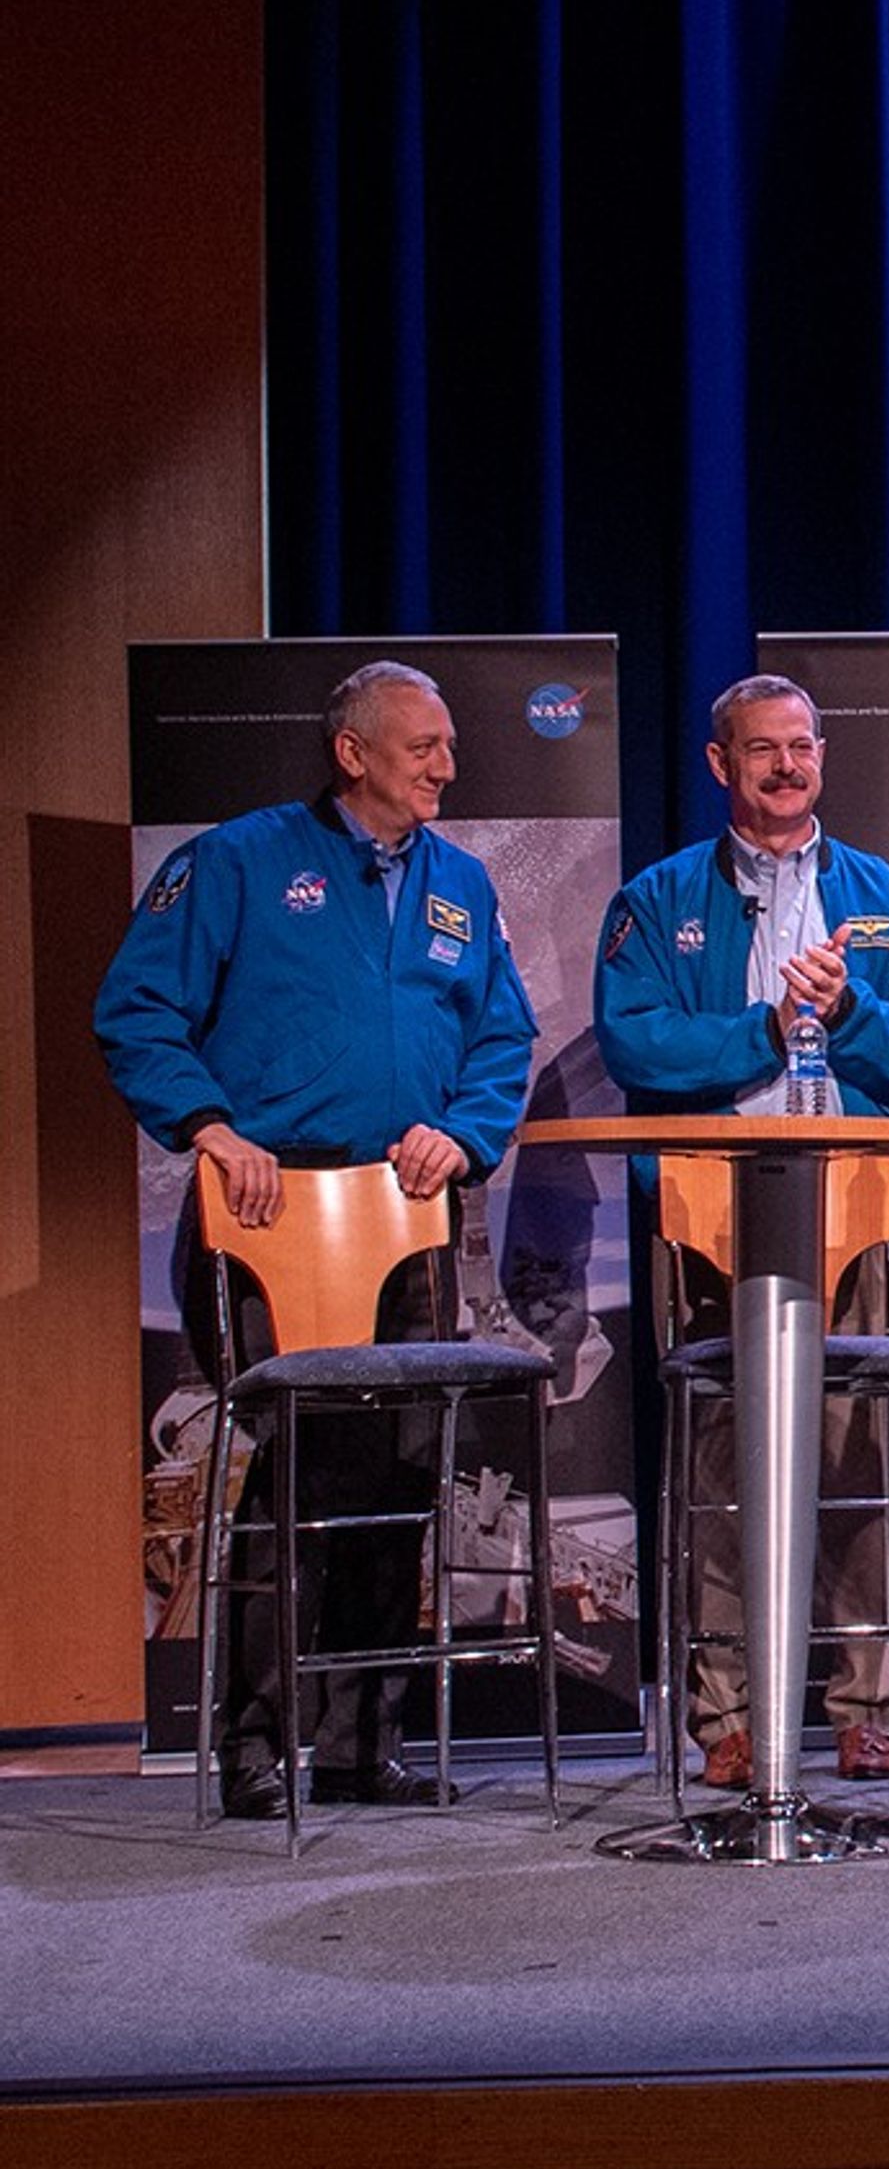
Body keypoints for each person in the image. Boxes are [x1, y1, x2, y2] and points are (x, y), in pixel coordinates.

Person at [95, 660, 540, 1816]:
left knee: (399, 1476)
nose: (447, 765)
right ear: (353, 753)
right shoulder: (239, 861)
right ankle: (253, 1746)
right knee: (295, 1475)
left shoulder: (459, 884)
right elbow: (136, 1012)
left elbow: (502, 1039)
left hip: (407, 1225)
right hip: (267, 1219)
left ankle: (361, 1745)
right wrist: (207, 1125)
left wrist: (463, 1130)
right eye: (423, 747)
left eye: (448, 746)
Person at [593, 673, 889, 1788]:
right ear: (722, 766)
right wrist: (766, 1027)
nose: (788, 766)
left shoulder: (883, 895)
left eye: (803, 746)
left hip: (851, 1210)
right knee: (725, 1469)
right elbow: (636, 1047)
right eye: (764, 750)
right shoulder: (658, 901)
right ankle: (730, 1719)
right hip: (712, 1215)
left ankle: (863, 1708)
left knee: (854, 1463)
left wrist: (846, 1011)